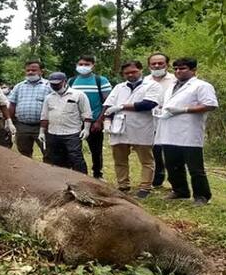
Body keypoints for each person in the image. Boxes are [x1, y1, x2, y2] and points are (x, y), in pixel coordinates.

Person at [154, 58, 218, 206]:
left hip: (189, 132)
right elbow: (168, 104)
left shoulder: (201, 86)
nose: (178, 71)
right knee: (172, 164)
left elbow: (210, 105)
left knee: (195, 167)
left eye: (182, 69)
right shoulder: (171, 86)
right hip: (169, 130)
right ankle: (180, 191)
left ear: (193, 70)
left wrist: (184, 109)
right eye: (175, 69)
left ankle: (202, 196)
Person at [98, 60, 162, 199]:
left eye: (133, 72)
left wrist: (122, 106)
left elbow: (148, 104)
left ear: (140, 70)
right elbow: (109, 105)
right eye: (127, 73)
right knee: (119, 159)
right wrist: (107, 121)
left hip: (141, 127)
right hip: (119, 128)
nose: (130, 75)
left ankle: (145, 187)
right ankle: (123, 186)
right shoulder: (119, 87)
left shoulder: (152, 85)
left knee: (146, 160)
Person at [68, 54, 112, 179]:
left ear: (93, 66)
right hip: (75, 122)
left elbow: (108, 102)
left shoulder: (101, 80)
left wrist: (99, 121)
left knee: (96, 150)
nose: (83, 67)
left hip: (94, 121)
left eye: (87, 64)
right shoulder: (71, 81)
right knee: (74, 149)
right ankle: (77, 173)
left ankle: (98, 174)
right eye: (81, 64)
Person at [39, 72, 92, 173]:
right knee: (56, 159)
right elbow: (44, 116)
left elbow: (86, 114)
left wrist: (86, 129)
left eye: (57, 84)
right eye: (52, 84)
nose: (54, 86)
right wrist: (42, 131)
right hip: (53, 133)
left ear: (64, 82)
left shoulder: (78, 95)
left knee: (75, 158)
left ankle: (82, 180)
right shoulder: (49, 98)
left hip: (72, 133)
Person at [8, 59, 52, 161]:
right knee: (24, 154)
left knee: (48, 152)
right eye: (28, 70)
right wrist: (10, 122)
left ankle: (48, 173)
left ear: (41, 71)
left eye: (34, 70)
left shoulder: (49, 86)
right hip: (22, 126)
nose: (30, 72)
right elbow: (12, 105)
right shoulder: (19, 86)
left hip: (43, 126)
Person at [144, 52, 177, 188]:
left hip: (170, 119)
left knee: (171, 151)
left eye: (160, 63)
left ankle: (175, 183)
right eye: (153, 64)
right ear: (149, 66)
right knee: (154, 151)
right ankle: (157, 178)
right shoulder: (145, 80)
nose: (157, 66)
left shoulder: (175, 80)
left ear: (167, 65)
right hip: (149, 120)